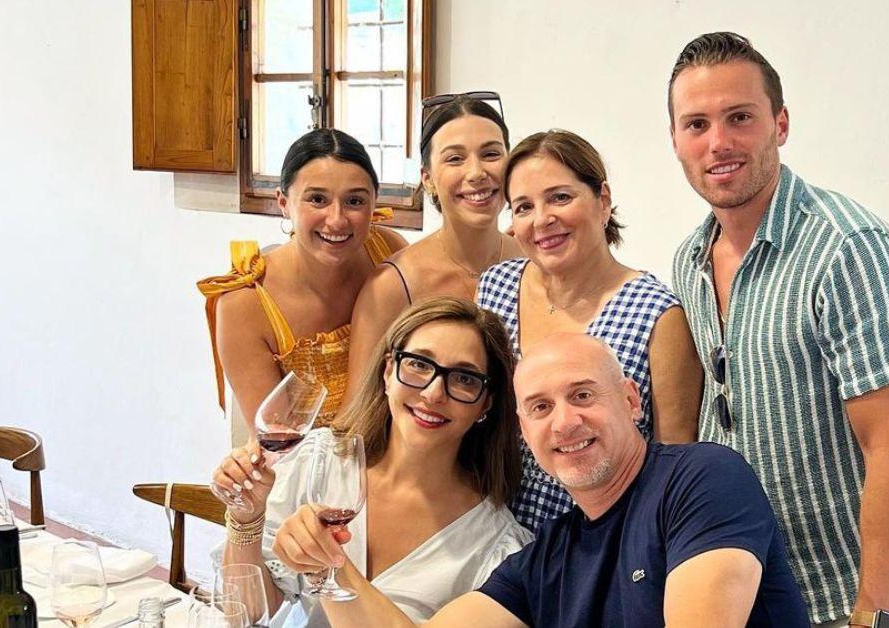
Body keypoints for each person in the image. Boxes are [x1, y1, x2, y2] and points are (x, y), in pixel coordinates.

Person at [270, 333, 809, 627]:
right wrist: (329, 568)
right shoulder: (543, 559)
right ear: (524, 431)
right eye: (540, 407)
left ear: (630, 399)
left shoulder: (701, 478)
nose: (565, 423)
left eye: (582, 395)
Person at [667, 32, 889, 628]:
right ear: (676, 140)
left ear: (780, 124)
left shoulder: (847, 248)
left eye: (740, 118)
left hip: (844, 593)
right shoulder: (688, 260)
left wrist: (875, 614)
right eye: (697, 125)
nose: (719, 143)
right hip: (740, 592)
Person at [212, 297, 530, 627]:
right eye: (419, 364)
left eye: (464, 378)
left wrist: (330, 566)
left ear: (485, 404)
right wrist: (246, 519)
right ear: (388, 370)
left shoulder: (498, 548)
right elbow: (247, 614)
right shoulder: (319, 462)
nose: (434, 393)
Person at [476, 129, 703, 531]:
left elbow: (673, 465)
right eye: (524, 207)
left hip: (599, 543)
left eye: (560, 197)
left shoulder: (657, 314)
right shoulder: (494, 288)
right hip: (487, 530)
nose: (542, 219)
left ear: (602, 200)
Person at [197, 128, 407, 429]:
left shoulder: (388, 251)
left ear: (374, 202)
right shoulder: (245, 302)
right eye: (317, 199)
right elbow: (276, 440)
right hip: (310, 467)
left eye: (355, 202)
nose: (337, 219)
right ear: (283, 202)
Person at [345, 93, 520, 399]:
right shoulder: (392, 286)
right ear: (427, 178)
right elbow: (358, 411)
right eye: (455, 158)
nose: (477, 173)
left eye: (491, 154)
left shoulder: (534, 263)